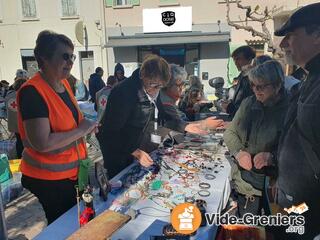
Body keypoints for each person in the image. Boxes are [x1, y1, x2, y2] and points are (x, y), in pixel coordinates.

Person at [17, 30, 98, 224]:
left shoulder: (64, 85)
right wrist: (81, 130)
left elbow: (70, 125)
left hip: (73, 174)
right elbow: (42, 143)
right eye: (64, 56)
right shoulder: (32, 92)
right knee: (64, 228)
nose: (70, 62)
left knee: (81, 223)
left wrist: (88, 128)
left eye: (72, 56)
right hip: (49, 180)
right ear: (44, 58)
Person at [272, 3, 320, 239]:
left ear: (317, 36)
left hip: (310, 213)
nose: (283, 44)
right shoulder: (309, 80)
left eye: (290, 36)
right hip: (296, 206)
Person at [224, 60, 288, 217]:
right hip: (247, 186)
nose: (256, 90)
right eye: (253, 85)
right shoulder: (249, 104)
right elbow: (230, 132)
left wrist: (272, 157)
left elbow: (299, 150)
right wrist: (239, 152)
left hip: (277, 188)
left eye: (262, 86)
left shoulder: (292, 107)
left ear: (277, 85)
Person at [160, 64, 224, 132]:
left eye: (184, 85)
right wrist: (204, 124)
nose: (183, 89)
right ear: (167, 85)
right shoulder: (165, 105)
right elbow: (179, 126)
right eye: (180, 85)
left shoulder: (167, 102)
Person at [220, 46, 256, 118]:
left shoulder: (253, 77)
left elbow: (248, 104)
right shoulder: (242, 75)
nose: (236, 63)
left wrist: (229, 107)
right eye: (234, 60)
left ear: (249, 59)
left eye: (238, 59)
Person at [5, 70, 29, 158]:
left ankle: (19, 158)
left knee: (19, 141)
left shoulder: (9, 93)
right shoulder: (26, 92)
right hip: (24, 123)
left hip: (14, 124)